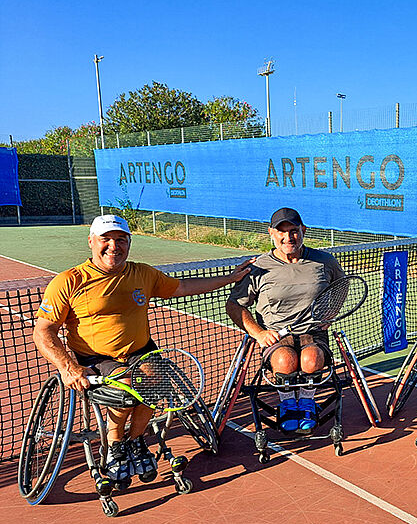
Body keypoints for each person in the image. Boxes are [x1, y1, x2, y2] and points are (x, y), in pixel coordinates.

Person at [33, 214, 253, 483]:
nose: (114, 246)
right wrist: (68, 367)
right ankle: (114, 447)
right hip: (95, 357)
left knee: (157, 381)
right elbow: (43, 330)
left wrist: (229, 278)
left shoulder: (142, 273)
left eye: (121, 240)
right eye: (106, 239)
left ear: (129, 243)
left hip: (140, 351)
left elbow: (182, 287)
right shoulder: (69, 281)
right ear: (91, 241)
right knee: (126, 384)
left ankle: (136, 441)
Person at [226, 207, 345, 434]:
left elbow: (342, 285)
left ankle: (308, 403)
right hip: (276, 336)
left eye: (293, 230)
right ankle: (289, 404)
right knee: (285, 361)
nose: (288, 237)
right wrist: (259, 333)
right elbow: (234, 305)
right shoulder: (258, 268)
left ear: (303, 230)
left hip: (313, 333)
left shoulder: (324, 261)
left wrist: (330, 313)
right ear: (271, 233)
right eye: (281, 231)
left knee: (311, 359)